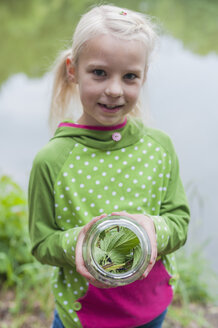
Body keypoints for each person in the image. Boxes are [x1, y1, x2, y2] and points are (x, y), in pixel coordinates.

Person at [28, 4, 190, 328]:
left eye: (130, 76)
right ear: (73, 70)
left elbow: (180, 221)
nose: (115, 90)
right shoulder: (52, 161)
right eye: (99, 72)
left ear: (144, 76)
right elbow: (42, 242)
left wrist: (151, 229)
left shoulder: (160, 148)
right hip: (83, 316)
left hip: (150, 310)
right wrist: (79, 242)